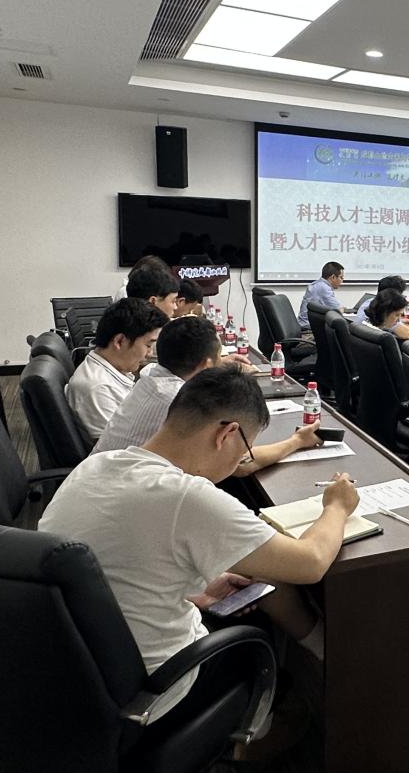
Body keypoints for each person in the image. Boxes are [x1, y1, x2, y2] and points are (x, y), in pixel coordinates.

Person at [40, 366, 360, 724]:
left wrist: (200, 593)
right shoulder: (186, 497)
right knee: (267, 646)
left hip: (78, 665)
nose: (241, 460)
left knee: (256, 578)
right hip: (158, 688)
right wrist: (337, 506)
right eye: (245, 450)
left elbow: (120, 565)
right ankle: (264, 728)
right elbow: (311, 562)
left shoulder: (95, 466)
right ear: (227, 434)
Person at [94, 315, 322, 463]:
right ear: (205, 364)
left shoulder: (152, 374)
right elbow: (240, 462)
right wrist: (297, 441)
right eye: (217, 357)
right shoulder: (180, 401)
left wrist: (217, 364)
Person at [66, 298, 168, 440]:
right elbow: (115, 446)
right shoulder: (99, 388)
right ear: (120, 341)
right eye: (148, 345)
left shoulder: (109, 370)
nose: (149, 353)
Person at [298, 261, 344, 334]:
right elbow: (338, 311)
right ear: (333, 277)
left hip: (306, 327)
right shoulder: (324, 288)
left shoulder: (317, 284)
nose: (342, 281)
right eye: (341, 277)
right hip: (308, 331)